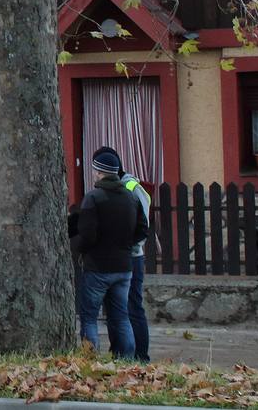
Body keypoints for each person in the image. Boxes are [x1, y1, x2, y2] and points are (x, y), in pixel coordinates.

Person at [71, 148, 147, 359]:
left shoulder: (93, 198)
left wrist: (83, 251)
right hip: (124, 267)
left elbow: (87, 234)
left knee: (89, 317)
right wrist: (125, 246)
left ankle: (90, 359)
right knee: (121, 316)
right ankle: (128, 360)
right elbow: (142, 229)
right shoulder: (131, 197)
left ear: (99, 172)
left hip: (98, 267)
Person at [96, 146, 152, 362]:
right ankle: (120, 354)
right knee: (115, 308)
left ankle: (140, 356)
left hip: (132, 257)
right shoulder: (110, 189)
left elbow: (142, 226)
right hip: (117, 256)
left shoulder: (132, 187)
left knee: (132, 307)